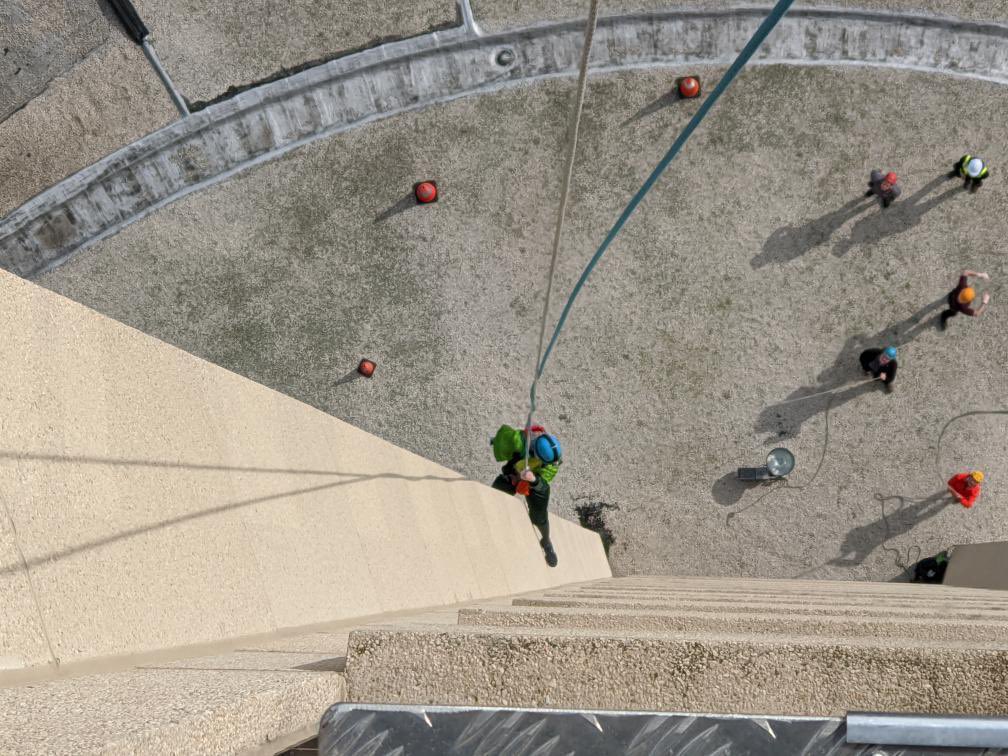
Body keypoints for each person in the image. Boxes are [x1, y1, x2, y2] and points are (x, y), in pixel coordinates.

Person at [490, 424, 563, 567]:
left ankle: (546, 541)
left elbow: (544, 485)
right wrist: (505, 442)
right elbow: (502, 440)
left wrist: (533, 480)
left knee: (539, 514)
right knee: (499, 489)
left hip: (532, 481)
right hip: (514, 473)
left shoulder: (551, 464)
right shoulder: (522, 440)